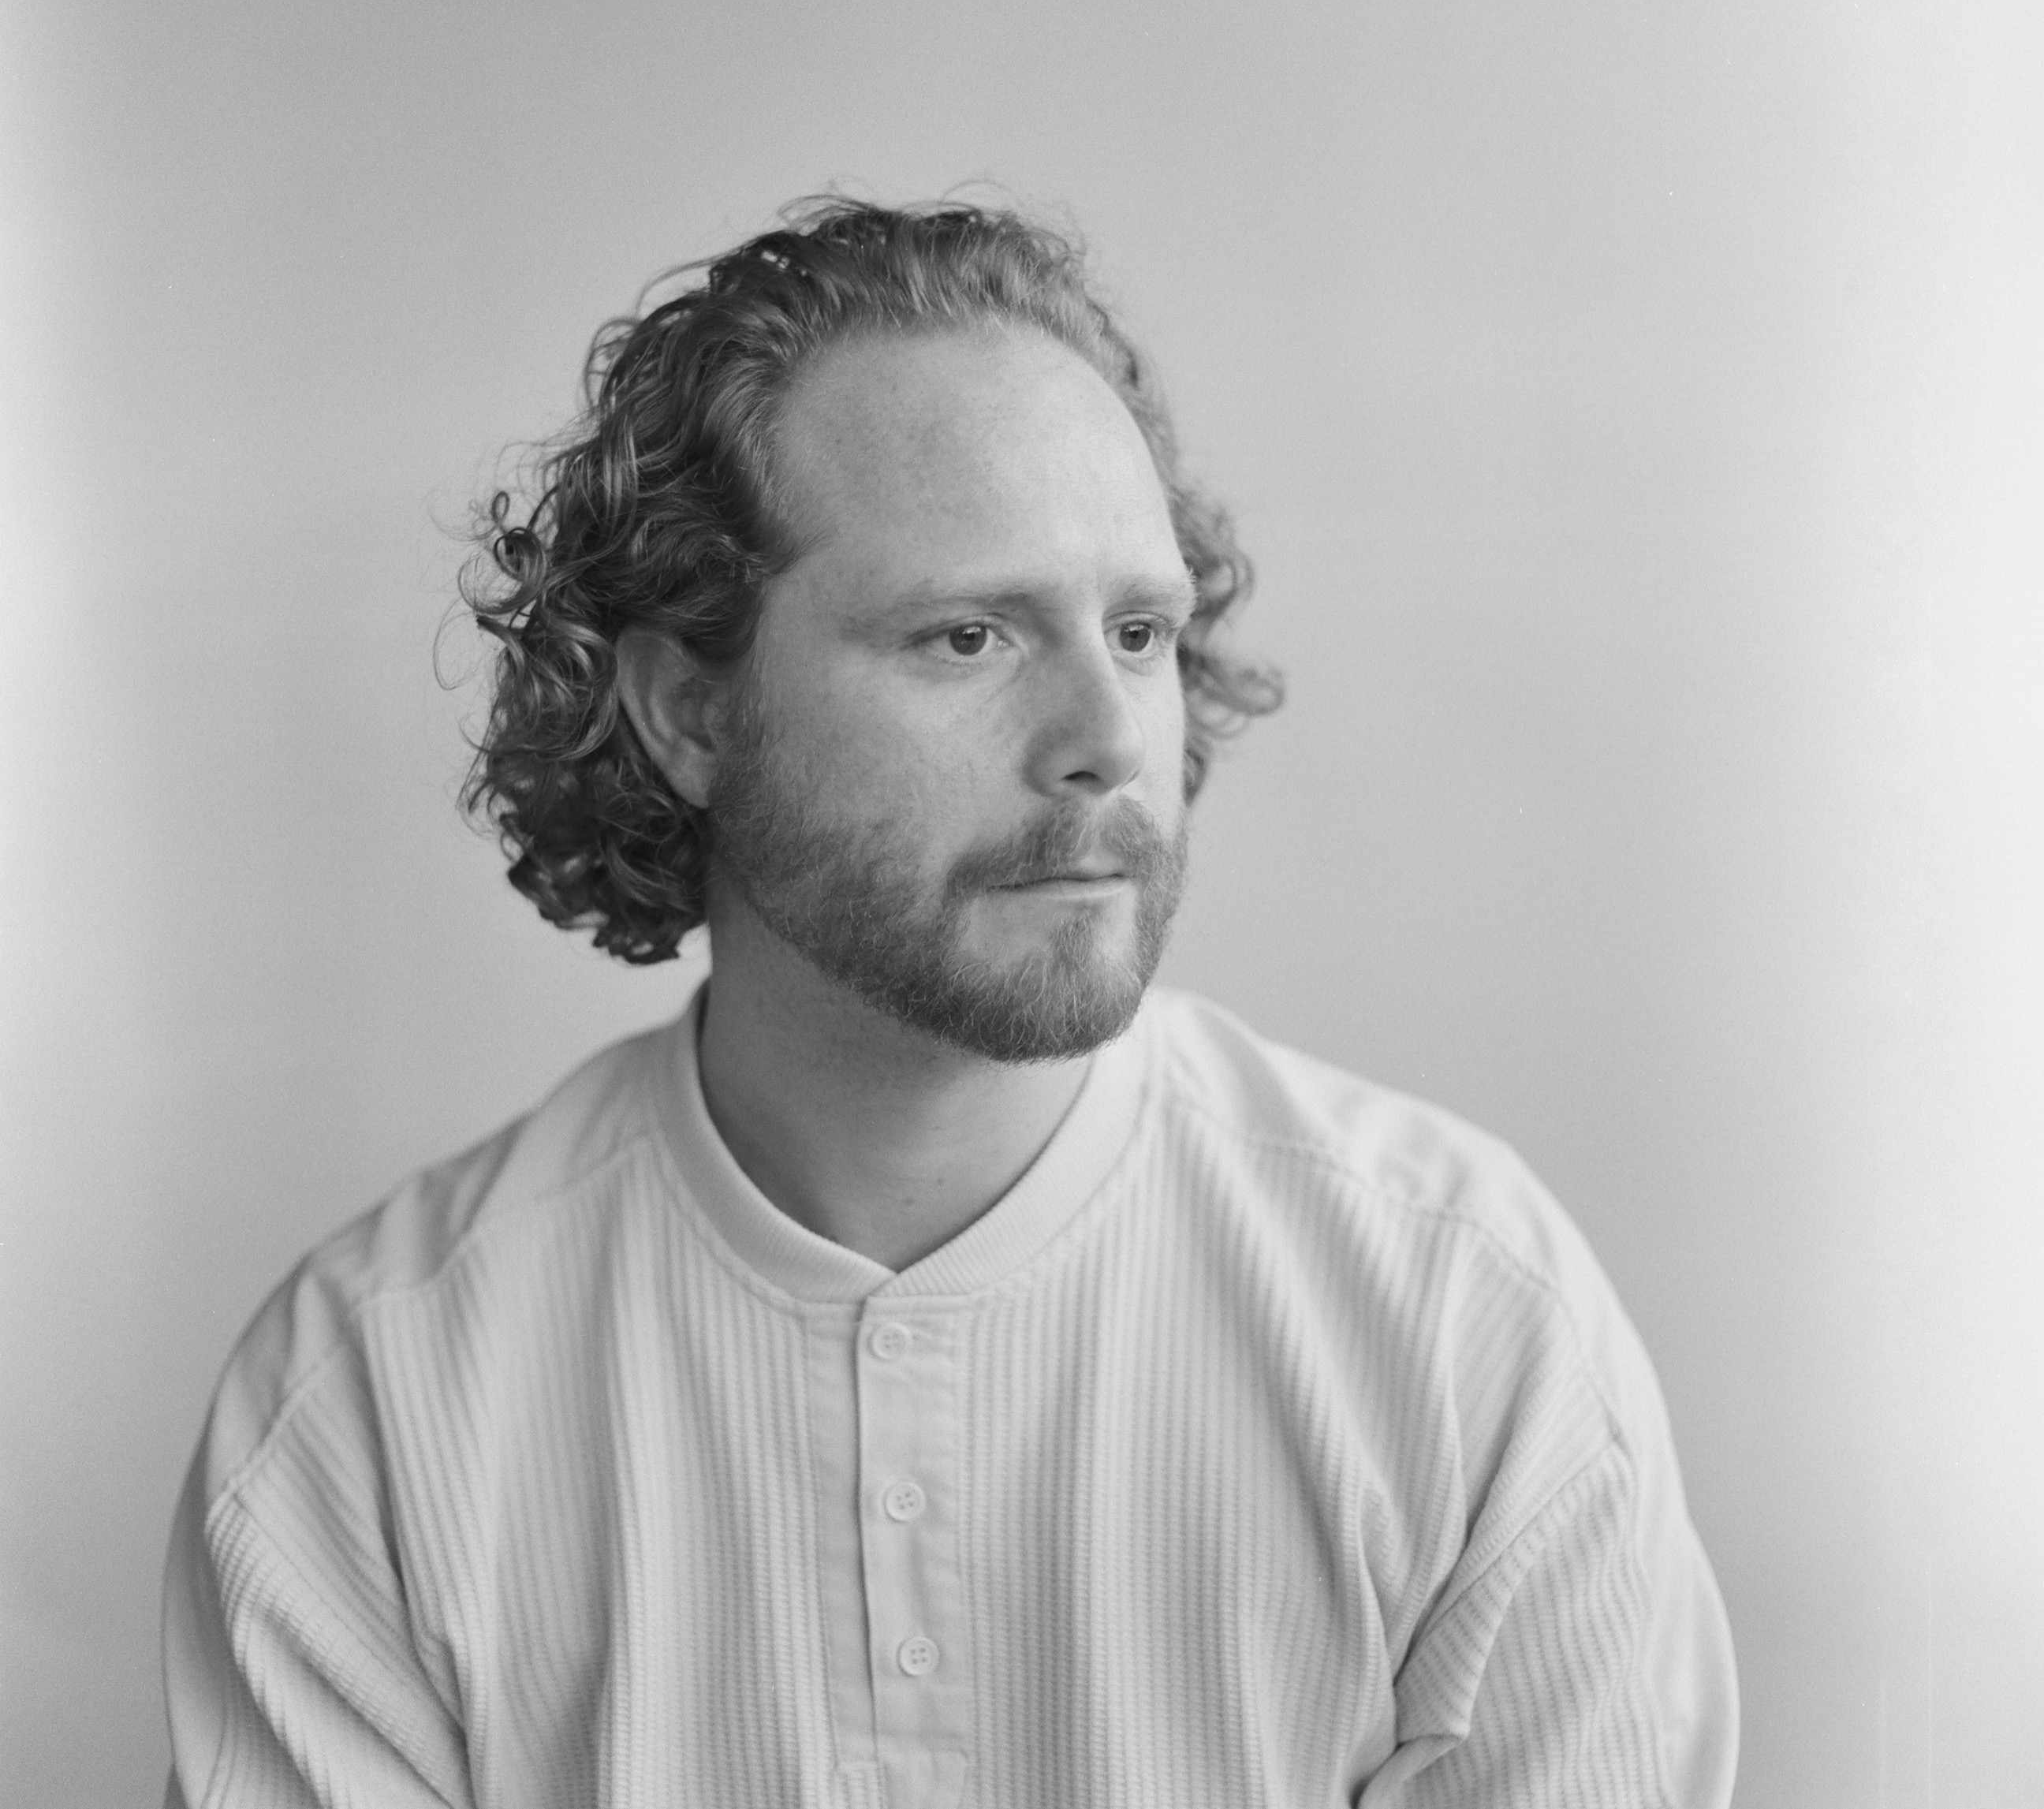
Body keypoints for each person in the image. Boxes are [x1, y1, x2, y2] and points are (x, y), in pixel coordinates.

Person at [161, 198, 1738, 1808]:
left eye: (1139, 631)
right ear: (691, 710)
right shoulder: (368, 1406)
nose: (1107, 739)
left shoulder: (1469, 1323)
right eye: (968, 635)